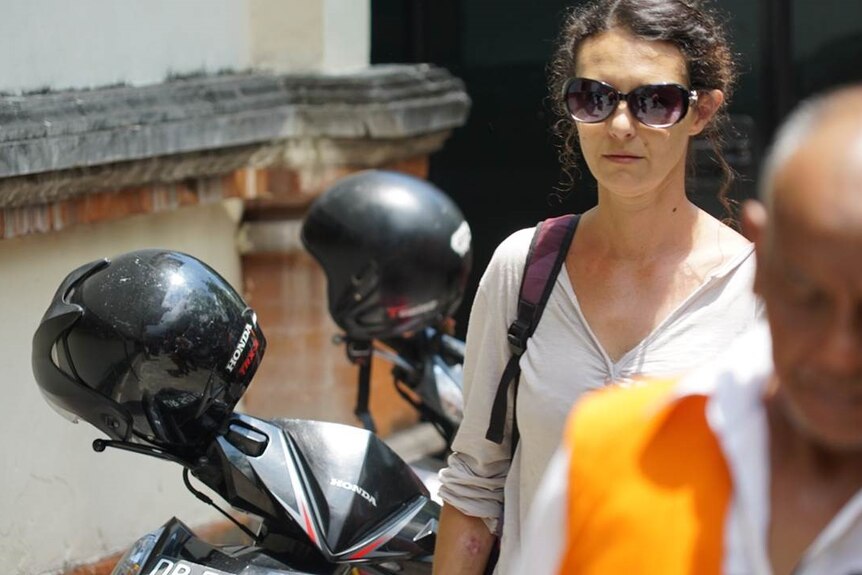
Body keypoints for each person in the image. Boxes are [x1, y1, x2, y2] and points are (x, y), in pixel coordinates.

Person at [433, 1, 762, 573]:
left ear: (701, 110)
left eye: (654, 101)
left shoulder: (756, 294)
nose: (619, 126)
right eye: (595, 97)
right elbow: (474, 487)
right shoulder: (523, 268)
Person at [516, 85, 862, 574]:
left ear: (700, 112)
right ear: (762, 255)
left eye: (655, 102)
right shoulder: (615, 451)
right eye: (809, 297)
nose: (840, 353)